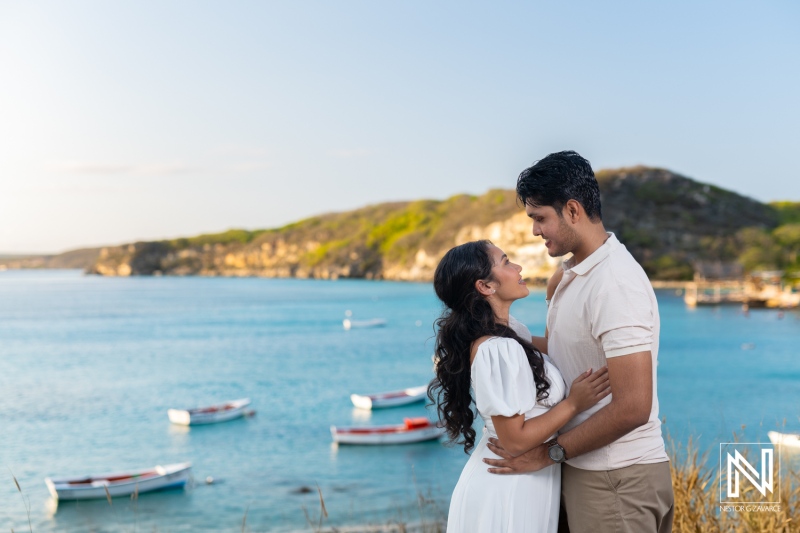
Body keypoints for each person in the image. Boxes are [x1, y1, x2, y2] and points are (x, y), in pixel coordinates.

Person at [484, 150, 674, 533]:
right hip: (590, 473)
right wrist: (498, 334)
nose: (535, 231)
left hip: (616, 480)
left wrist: (548, 454)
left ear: (572, 210)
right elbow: (564, 351)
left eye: (540, 218)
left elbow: (633, 407)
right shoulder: (572, 274)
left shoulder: (614, 283)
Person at [429, 240, 610, 532]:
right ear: (485, 286)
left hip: (524, 482)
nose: (518, 267)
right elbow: (514, 440)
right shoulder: (497, 348)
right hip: (507, 488)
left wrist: (555, 295)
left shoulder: (511, 332)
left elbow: (558, 346)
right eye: (506, 262)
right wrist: (574, 404)